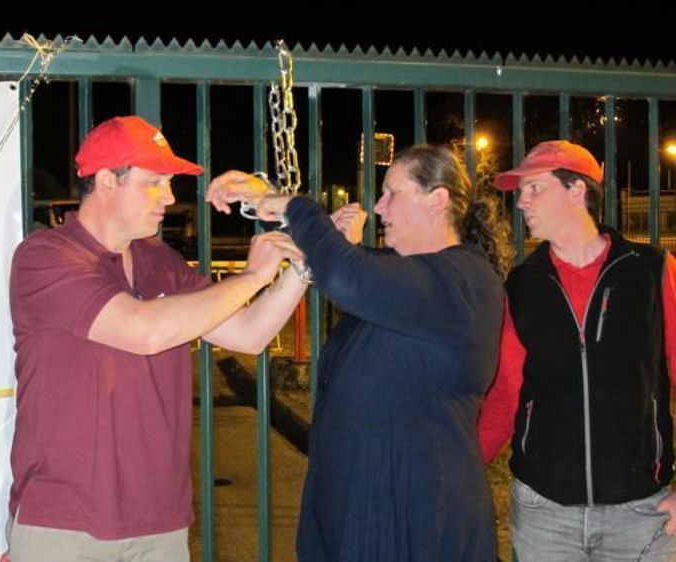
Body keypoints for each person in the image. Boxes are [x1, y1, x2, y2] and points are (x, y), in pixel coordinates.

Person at [6, 115, 331, 562]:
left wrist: (301, 263)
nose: (170, 197)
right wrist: (253, 276)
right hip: (64, 523)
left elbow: (250, 334)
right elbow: (146, 330)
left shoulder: (161, 260)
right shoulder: (46, 256)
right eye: (155, 183)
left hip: (159, 521)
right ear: (105, 181)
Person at [210, 144, 513, 561]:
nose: (379, 206)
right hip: (366, 504)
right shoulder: (408, 276)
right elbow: (334, 263)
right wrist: (260, 193)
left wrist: (295, 205)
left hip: (417, 513)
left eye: (393, 193)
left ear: (437, 200)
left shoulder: (463, 280)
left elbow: (346, 276)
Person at [478, 140, 676, 561]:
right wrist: (460, 470)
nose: (520, 203)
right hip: (544, 513)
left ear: (577, 191)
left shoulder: (652, 271)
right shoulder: (522, 286)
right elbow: (505, 395)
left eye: (534, 189)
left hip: (641, 512)